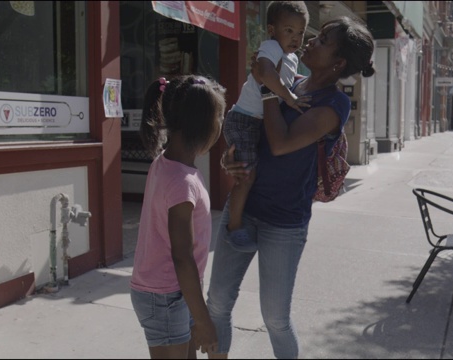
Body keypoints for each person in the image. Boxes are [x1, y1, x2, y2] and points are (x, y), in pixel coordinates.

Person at [206, 16, 375, 359]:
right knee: (218, 304)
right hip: (244, 206)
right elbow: (252, 131)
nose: (311, 40)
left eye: (323, 40)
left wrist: (269, 87)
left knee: (276, 319)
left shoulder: (334, 104)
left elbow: (281, 143)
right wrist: (231, 157)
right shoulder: (290, 80)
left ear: (339, 62)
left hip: (284, 222)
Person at [130, 75, 226, 359]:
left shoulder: (167, 163)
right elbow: (182, 256)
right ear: (202, 123)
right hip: (165, 295)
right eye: (220, 116)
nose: (222, 123)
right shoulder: (181, 182)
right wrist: (204, 320)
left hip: (172, 292)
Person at [221, 1, 309, 253]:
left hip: (255, 122)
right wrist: (290, 99)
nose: (296, 37)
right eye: (289, 30)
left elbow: (285, 80)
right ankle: (233, 228)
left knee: (250, 174)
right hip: (245, 119)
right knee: (246, 177)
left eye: (301, 32)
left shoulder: (291, 57)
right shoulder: (271, 47)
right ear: (272, 29)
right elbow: (267, 74)